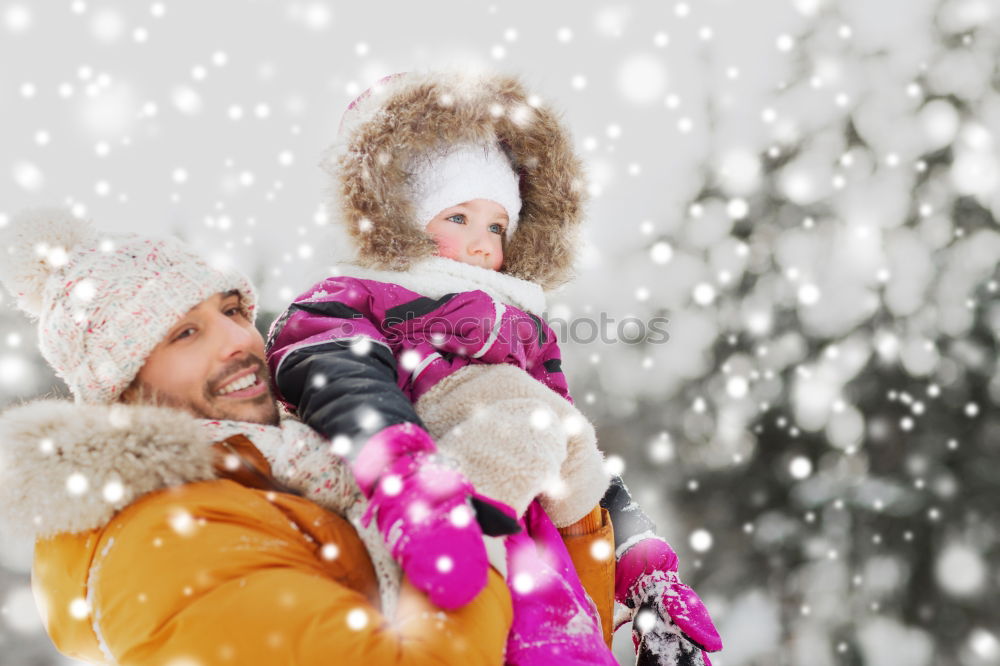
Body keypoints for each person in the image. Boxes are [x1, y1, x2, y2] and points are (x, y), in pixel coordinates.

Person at [0, 208, 619, 665]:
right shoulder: (165, 541)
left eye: (233, 311)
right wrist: (480, 510)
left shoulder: (304, 468)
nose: (238, 341)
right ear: (123, 389)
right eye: (183, 334)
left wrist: (573, 522)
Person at [265, 70, 721, 664]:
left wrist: (643, 566)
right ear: (398, 216)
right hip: (424, 511)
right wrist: (408, 478)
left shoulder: (520, 325)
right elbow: (334, 374)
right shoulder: (360, 293)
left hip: (540, 548)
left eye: (497, 226)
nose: (482, 244)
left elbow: (574, 451)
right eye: (457, 218)